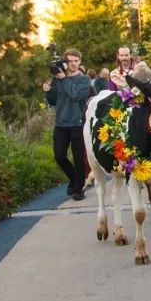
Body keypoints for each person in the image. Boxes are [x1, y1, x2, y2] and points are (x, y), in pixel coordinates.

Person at [42, 48, 92, 201]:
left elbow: (75, 95)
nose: (73, 64)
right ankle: (74, 179)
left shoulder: (84, 80)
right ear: (66, 62)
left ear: (80, 62)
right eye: (70, 61)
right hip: (61, 123)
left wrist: (64, 79)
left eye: (76, 61)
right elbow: (53, 101)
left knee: (78, 158)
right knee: (59, 156)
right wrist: (48, 91)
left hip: (77, 123)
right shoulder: (59, 79)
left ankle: (79, 189)